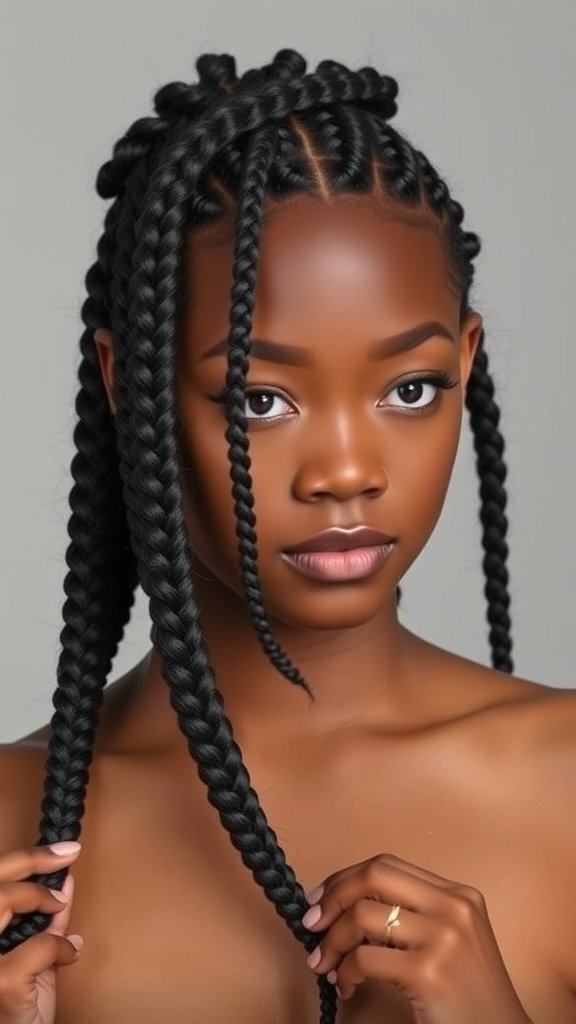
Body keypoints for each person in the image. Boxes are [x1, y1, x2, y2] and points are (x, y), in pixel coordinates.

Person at [0, 47, 574, 1024]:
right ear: (125, 382)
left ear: (466, 361)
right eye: (260, 399)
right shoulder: (19, 827)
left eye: (411, 388)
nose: (346, 470)